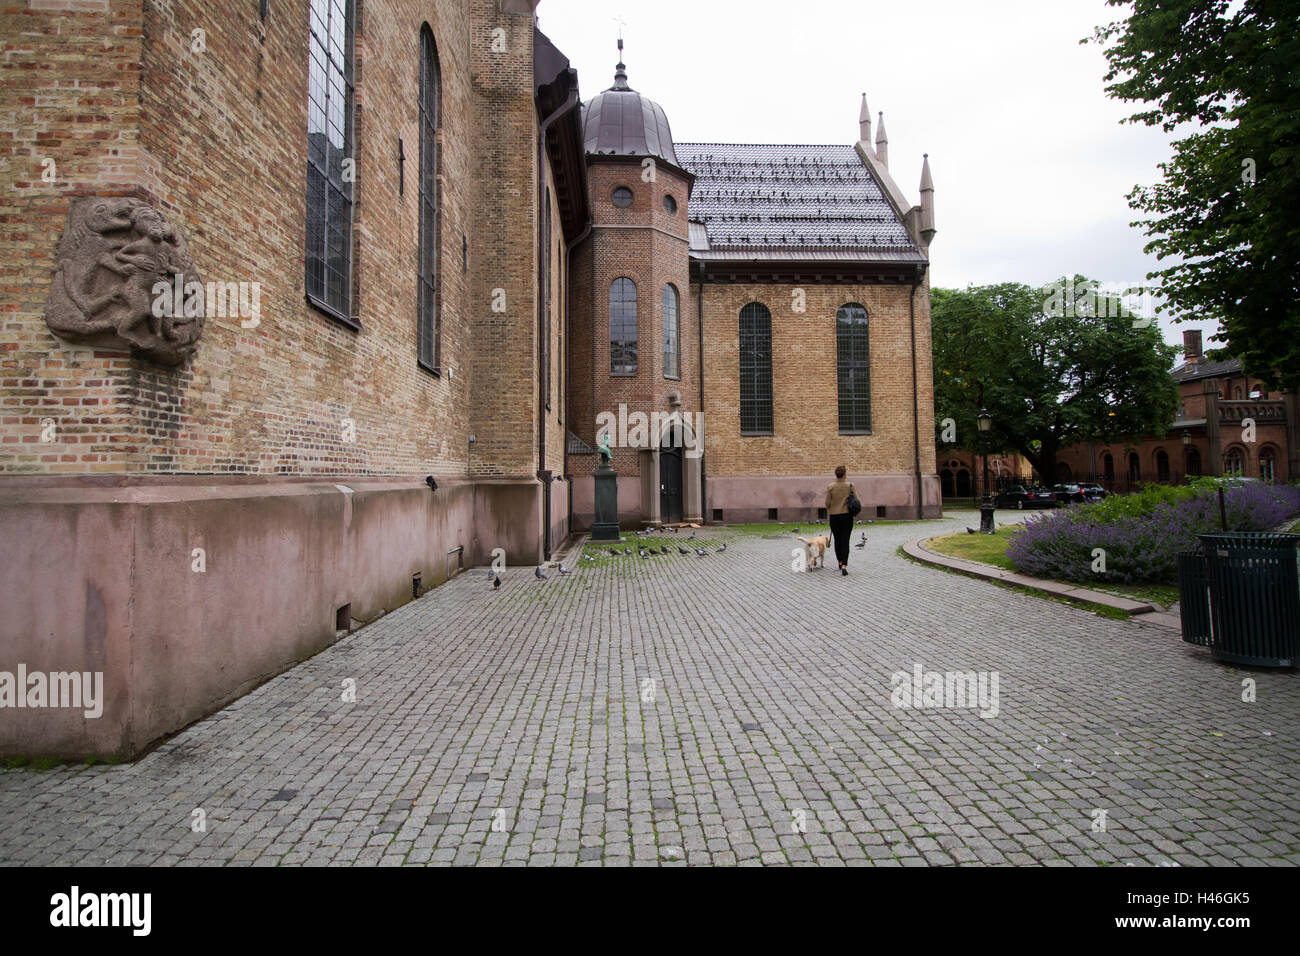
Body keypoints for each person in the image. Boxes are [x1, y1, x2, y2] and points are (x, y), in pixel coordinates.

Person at [825, 465, 855, 576]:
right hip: (847, 516)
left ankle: (840, 561)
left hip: (834, 516)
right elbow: (857, 500)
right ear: (845, 474)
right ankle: (844, 565)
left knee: (837, 539)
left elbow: (827, 503)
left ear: (836, 474)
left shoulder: (831, 487)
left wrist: (832, 507)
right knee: (845, 540)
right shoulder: (850, 486)